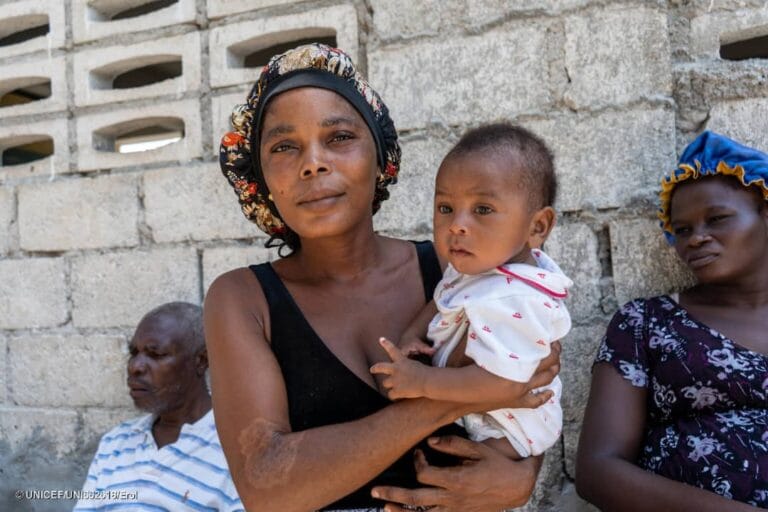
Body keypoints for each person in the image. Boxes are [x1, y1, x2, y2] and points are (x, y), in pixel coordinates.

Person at [205, 43, 561, 512]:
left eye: (338, 138)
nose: (313, 162)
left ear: (381, 157)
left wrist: (519, 478)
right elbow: (267, 487)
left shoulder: (457, 268)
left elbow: (534, 382)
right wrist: (453, 396)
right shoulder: (243, 300)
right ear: (262, 179)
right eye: (284, 146)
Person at [576, 131, 768, 511]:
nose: (696, 238)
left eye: (717, 219)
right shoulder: (646, 324)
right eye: (682, 230)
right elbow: (598, 469)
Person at [370, 123, 571, 459]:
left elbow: (505, 385)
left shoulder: (519, 298)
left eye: (482, 210)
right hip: (474, 411)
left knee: (465, 477)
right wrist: (411, 334)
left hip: (509, 430)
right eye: (446, 208)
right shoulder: (481, 265)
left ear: (537, 227)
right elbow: (444, 297)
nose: (457, 224)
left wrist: (421, 382)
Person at [74, 302, 244, 512]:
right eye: (133, 353)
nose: (135, 367)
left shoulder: (235, 449)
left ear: (201, 361)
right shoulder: (115, 442)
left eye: (155, 354)